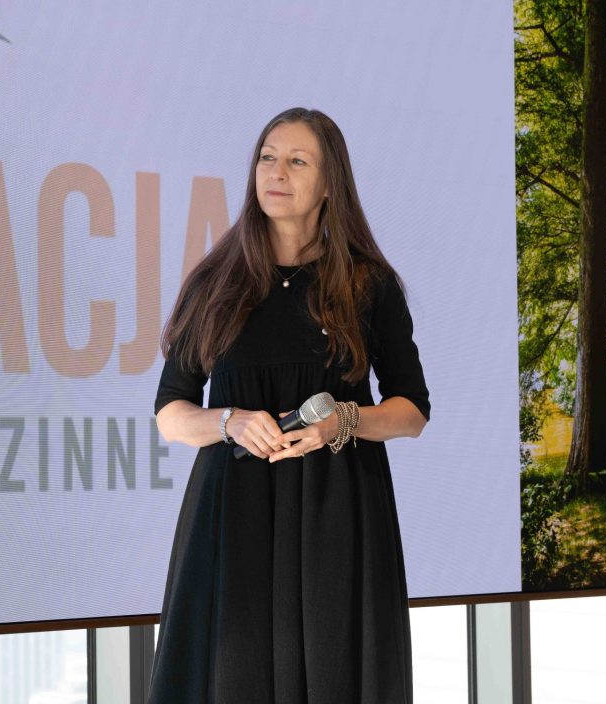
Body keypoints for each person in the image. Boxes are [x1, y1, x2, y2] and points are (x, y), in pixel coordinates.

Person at [148, 108, 429, 703]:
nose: (276, 172)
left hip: (339, 515)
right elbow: (171, 412)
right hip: (232, 518)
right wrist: (229, 421)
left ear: (330, 183)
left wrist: (343, 422)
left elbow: (412, 411)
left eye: (297, 161)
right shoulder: (215, 283)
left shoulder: (368, 285)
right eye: (267, 157)